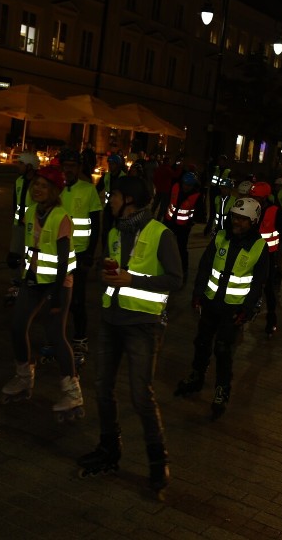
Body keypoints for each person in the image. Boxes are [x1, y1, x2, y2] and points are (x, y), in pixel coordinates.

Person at [77, 176, 182, 495]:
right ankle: (110, 448)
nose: (110, 200)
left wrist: (131, 280)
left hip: (143, 325)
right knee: (101, 387)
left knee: (140, 394)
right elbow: (104, 273)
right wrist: (104, 272)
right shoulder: (113, 231)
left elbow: (175, 280)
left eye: (115, 196)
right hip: (111, 319)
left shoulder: (161, 234)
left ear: (131, 200)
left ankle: (157, 461)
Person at [1, 165, 83, 420]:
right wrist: (19, 268)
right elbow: (29, 246)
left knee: (55, 335)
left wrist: (57, 298)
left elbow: (62, 263)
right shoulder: (31, 212)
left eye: (43, 185)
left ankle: (73, 392)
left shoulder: (61, 217)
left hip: (58, 284)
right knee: (17, 326)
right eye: (35, 184)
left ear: (55, 190)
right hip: (33, 280)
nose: (37, 189)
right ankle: (24, 376)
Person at [175, 197, 268, 419]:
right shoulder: (221, 237)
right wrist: (197, 293)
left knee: (224, 349)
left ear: (253, 221)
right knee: (202, 342)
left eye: (243, 219)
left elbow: (258, 283)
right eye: (235, 217)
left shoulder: (259, 247)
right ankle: (197, 376)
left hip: (233, 310)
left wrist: (247, 309)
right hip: (210, 302)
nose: (237, 222)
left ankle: (222, 390)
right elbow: (205, 265)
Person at [59, 148, 102, 368]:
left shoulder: (88, 190)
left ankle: (80, 338)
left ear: (79, 168)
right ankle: (56, 337)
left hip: (80, 254)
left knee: (77, 299)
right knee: (56, 297)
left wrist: (90, 254)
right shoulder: (55, 189)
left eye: (73, 166)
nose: (68, 170)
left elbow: (95, 224)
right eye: (65, 166)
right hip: (57, 254)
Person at [249, 181, 282, 336]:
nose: (253, 200)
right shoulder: (250, 209)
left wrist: (275, 248)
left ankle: (271, 320)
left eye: (256, 198)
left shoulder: (275, 211)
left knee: (269, 288)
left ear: (264, 198)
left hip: (268, 255)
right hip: (251, 254)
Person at [4, 151, 39, 305]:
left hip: (33, 228)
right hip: (19, 226)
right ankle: (16, 285)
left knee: (29, 260)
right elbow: (15, 203)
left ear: (30, 166)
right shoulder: (19, 181)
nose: (19, 166)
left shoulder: (38, 183)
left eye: (21, 164)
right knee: (13, 259)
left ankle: (27, 290)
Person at [163, 171, 201, 283]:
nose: (186, 187)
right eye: (184, 184)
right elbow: (168, 201)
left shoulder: (196, 196)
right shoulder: (175, 187)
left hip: (183, 227)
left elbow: (199, 214)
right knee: (166, 246)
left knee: (181, 249)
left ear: (193, 185)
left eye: (188, 185)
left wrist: (191, 221)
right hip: (169, 222)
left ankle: (183, 271)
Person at [97, 152, 127, 253]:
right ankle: (104, 252)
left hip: (120, 209)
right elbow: (97, 189)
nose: (110, 166)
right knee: (105, 231)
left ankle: (116, 251)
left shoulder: (123, 177)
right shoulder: (106, 176)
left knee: (119, 231)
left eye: (112, 164)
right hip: (108, 207)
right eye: (109, 163)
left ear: (118, 165)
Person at [151, 155, 182, 220]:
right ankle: (158, 219)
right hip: (165, 191)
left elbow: (154, 179)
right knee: (163, 206)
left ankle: (150, 216)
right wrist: (179, 167)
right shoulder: (167, 169)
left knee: (155, 204)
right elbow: (175, 175)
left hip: (159, 189)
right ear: (167, 162)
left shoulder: (159, 168)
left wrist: (157, 186)